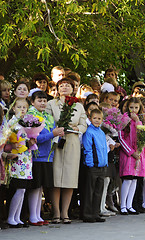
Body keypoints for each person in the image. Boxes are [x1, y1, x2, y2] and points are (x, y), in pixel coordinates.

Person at [46, 78, 87, 224]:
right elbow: (48, 121)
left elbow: (83, 124)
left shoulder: (79, 105)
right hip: (56, 141)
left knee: (70, 179)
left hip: (72, 142)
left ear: (73, 88)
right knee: (56, 178)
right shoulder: (51, 104)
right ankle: (56, 212)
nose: (64, 87)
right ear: (57, 89)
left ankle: (65, 213)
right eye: (61, 85)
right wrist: (55, 130)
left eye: (67, 85)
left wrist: (77, 129)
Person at [27, 91, 64, 226]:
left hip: (48, 157)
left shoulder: (48, 116)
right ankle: (32, 216)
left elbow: (52, 135)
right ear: (32, 102)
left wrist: (58, 134)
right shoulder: (30, 116)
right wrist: (52, 134)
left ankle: (38, 215)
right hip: (37, 156)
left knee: (41, 187)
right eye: (39, 100)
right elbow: (35, 139)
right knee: (35, 187)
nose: (42, 103)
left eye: (44, 101)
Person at [6, 98, 34, 228]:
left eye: (24, 107)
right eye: (19, 107)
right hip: (17, 158)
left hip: (26, 159)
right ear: (13, 108)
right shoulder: (12, 123)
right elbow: (7, 138)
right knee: (19, 188)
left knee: (23, 190)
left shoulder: (27, 123)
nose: (22, 110)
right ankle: (11, 217)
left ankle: (17, 217)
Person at [118, 97, 145, 215]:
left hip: (138, 154)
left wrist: (138, 121)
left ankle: (130, 205)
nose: (133, 110)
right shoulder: (124, 119)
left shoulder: (140, 120)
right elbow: (121, 137)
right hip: (128, 154)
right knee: (128, 179)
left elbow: (143, 135)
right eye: (131, 107)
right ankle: (123, 205)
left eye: (136, 108)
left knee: (134, 180)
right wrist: (130, 152)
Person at [82, 109, 108, 223]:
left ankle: (95, 213)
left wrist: (105, 162)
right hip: (93, 166)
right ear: (90, 119)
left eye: (99, 119)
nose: (97, 121)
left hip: (102, 166)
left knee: (99, 191)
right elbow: (88, 149)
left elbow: (104, 148)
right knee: (90, 190)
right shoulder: (89, 132)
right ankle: (87, 214)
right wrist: (90, 164)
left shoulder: (101, 132)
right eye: (94, 118)